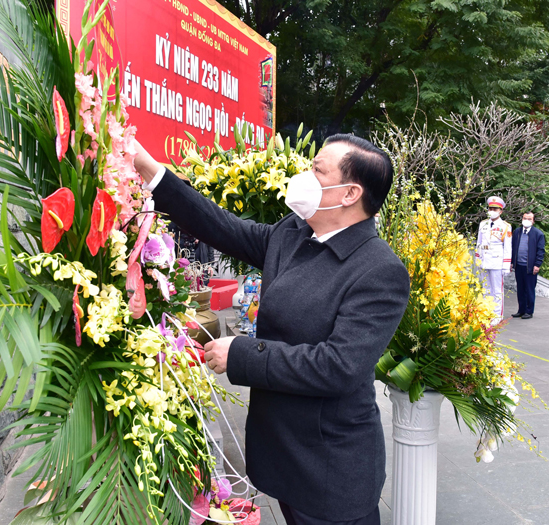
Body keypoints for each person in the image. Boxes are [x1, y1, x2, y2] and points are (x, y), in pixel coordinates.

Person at [133, 135, 410, 524]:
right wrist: (149, 168)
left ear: (350, 193)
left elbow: (339, 366)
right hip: (283, 454)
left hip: (329, 468)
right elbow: (222, 227)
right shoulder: (294, 233)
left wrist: (241, 354)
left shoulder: (378, 270)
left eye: (318, 170)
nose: (305, 177)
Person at [475, 196, 512, 325]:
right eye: (490, 208)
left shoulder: (505, 226)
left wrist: (506, 265)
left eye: (495, 209)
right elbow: (479, 243)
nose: (492, 211)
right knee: (486, 289)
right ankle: (487, 312)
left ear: (500, 211)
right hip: (484, 261)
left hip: (497, 262)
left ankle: (497, 315)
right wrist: (478, 259)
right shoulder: (483, 224)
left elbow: (507, 247)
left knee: (497, 290)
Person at [511, 211, 545, 319]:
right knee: (520, 289)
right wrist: (512, 262)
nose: (526, 220)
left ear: (533, 221)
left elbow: (540, 251)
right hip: (518, 265)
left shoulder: (538, 234)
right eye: (525, 218)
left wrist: (537, 264)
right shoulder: (517, 232)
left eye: (529, 219)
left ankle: (529, 311)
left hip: (530, 266)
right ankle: (521, 310)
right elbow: (513, 247)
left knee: (529, 289)